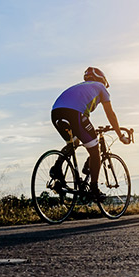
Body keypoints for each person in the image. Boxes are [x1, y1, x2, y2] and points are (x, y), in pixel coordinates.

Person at [50, 67, 130, 201]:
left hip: (56, 112)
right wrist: (120, 135)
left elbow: (80, 113)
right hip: (74, 114)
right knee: (94, 151)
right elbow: (110, 114)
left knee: (73, 143)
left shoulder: (80, 87)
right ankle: (94, 189)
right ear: (102, 80)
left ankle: (57, 168)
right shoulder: (100, 87)